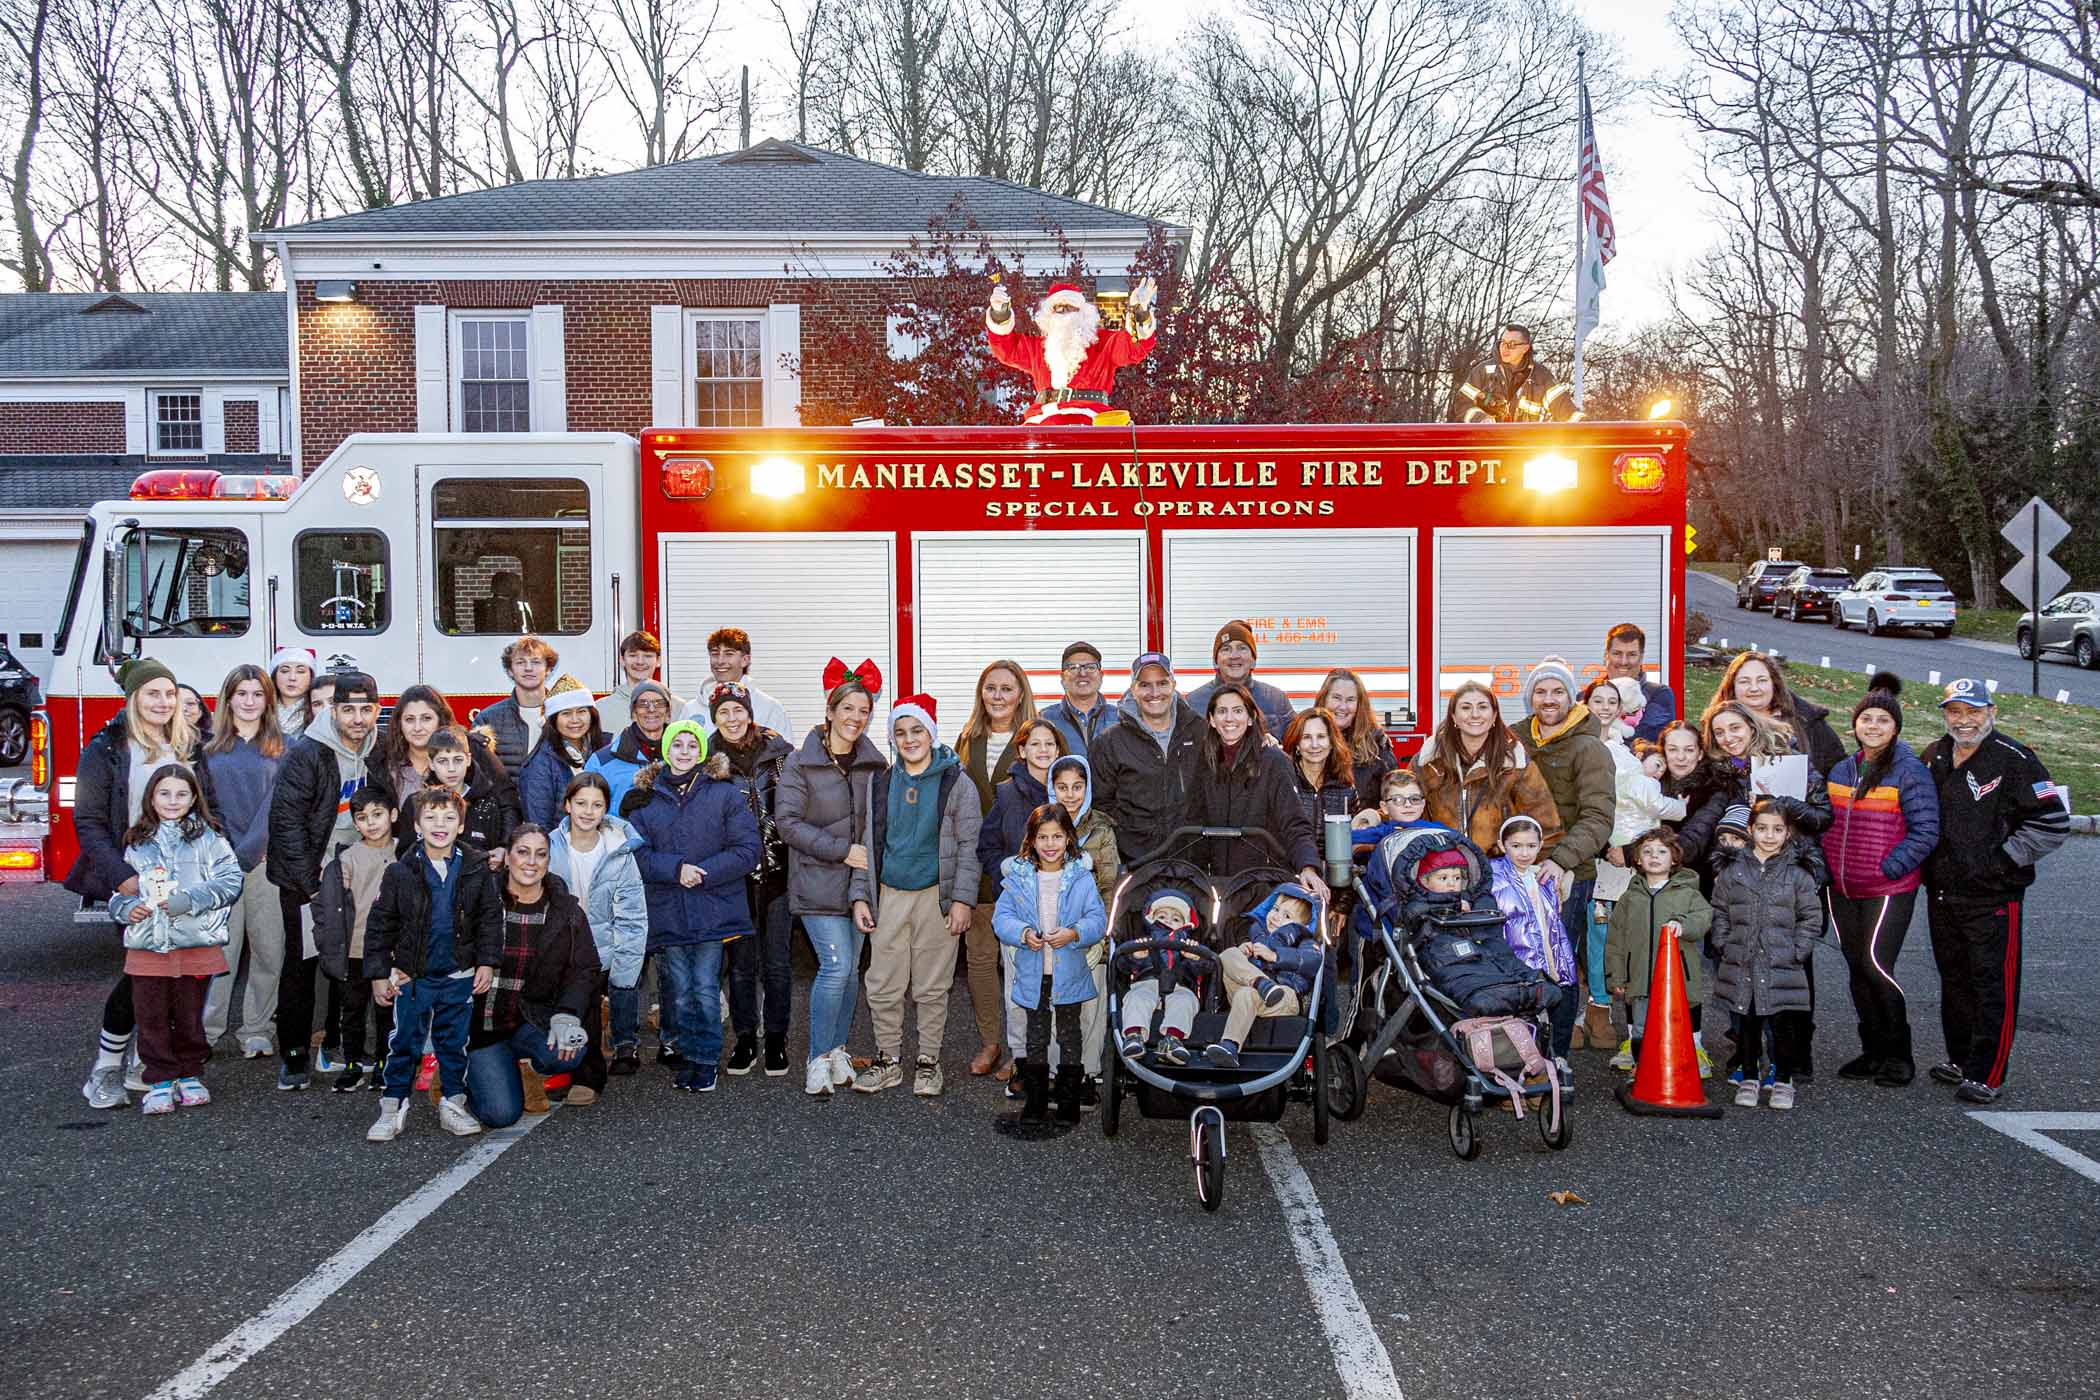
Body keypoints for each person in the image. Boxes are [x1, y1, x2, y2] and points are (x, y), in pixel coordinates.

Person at [1918, 678, 2068, 1104]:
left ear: (1991, 713)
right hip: (1943, 892)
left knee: (1992, 985)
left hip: (1993, 897)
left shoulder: (2016, 759)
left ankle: (1988, 1072)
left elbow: (2052, 822)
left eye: (1974, 711)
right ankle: (1961, 1059)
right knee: (1954, 978)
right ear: (1945, 714)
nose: (1964, 721)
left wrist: (2000, 863)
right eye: (1955, 711)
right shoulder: (1936, 754)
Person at [848, 694, 982, 1098]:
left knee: (931, 985)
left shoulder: (956, 782)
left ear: (932, 733)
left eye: (917, 730)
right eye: (900, 732)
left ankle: (928, 1060)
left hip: (935, 896)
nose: (909, 739)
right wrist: (861, 896)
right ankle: (888, 1059)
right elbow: (866, 842)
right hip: (888, 893)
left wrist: (962, 900)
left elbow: (969, 847)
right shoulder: (881, 782)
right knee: (883, 981)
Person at [623, 720, 760, 1095]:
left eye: (691, 744)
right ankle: (689, 1053)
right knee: (678, 990)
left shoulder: (724, 794)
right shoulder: (646, 799)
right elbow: (635, 854)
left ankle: (706, 1062)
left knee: (703, 987)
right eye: (676, 744)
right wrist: (674, 870)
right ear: (665, 750)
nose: (684, 751)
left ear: (702, 752)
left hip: (712, 909)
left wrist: (703, 873)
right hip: (669, 909)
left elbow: (748, 850)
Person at [265, 668, 382, 1091]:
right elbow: (287, 823)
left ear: (376, 710)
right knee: (303, 966)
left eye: (365, 709)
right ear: (333, 710)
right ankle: (294, 1055)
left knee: (349, 964)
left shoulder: (380, 750)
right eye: (347, 709)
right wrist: (311, 884)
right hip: (311, 876)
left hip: (361, 874)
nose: (356, 718)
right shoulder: (308, 753)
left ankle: (337, 1046)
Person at [364, 788, 502, 1141]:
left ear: (460, 825)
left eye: (449, 818)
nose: (439, 824)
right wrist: (380, 972)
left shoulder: (475, 868)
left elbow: (489, 918)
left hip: (458, 974)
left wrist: (486, 962)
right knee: (405, 1042)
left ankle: (453, 1103)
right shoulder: (400, 871)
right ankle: (393, 1104)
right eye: (431, 817)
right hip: (414, 976)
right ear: (416, 824)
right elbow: (381, 923)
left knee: (453, 1043)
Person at [1822, 675, 1940, 1088]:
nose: (1873, 726)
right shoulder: (1842, 769)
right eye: (1866, 719)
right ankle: (1871, 1051)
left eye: (1882, 721)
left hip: (1886, 889)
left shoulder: (1909, 771)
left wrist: (1890, 867)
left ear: (1895, 728)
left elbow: (1926, 830)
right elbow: (1826, 823)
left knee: (1876, 967)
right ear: (1855, 724)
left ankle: (1898, 1054)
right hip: (1842, 887)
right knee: (1856, 967)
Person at [776, 665, 885, 1097]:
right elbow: (787, 824)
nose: (855, 717)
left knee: (852, 971)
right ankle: (817, 1059)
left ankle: (838, 1049)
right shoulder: (801, 763)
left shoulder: (874, 765)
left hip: (860, 885)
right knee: (836, 967)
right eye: (847, 708)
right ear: (830, 709)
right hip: (817, 882)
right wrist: (840, 850)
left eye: (864, 710)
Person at [108, 764, 241, 1115]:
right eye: (164, 793)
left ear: (194, 797)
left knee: (188, 1012)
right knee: (150, 1014)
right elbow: (117, 894)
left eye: (181, 794)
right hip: (148, 946)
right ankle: (160, 1079)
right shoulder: (136, 843)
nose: (172, 800)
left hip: (194, 942)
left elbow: (230, 882)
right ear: (151, 797)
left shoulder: (211, 838)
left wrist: (189, 900)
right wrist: (127, 909)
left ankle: (190, 1072)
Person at [463, 826, 602, 1126]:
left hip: (530, 1020)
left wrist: (567, 1016)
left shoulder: (565, 910)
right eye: (523, 852)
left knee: (571, 1048)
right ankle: (464, 1071)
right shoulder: (481, 900)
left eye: (541, 854)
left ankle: (524, 1066)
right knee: (500, 1115)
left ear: (549, 860)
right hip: (481, 1027)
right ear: (507, 857)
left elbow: (585, 969)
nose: (531, 862)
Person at [1516, 658, 1618, 1053]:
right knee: (1521, 965)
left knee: (1558, 966)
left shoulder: (1589, 747)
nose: (1548, 699)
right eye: (1540, 691)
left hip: (1567, 874)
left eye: (1557, 691)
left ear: (1572, 696)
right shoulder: (1516, 740)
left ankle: (1555, 1056)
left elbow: (1598, 817)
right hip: (1517, 869)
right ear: (1530, 698)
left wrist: (1560, 861)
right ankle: (1521, 1051)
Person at [992, 804, 1106, 1123]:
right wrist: (1023, 933)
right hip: (1033, 973)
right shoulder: (1019, 879)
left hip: (1068, 972)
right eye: (1043, 837)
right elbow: (1002, 918)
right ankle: (1036, 1101)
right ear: (1031, 840)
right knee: (1036, 1036)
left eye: (1057, 836)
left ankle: (1068, 1101)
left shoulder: (1081, 879)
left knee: (1070, 1034)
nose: (1050, 844)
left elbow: (1097, 919)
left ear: (1069, 838)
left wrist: (1074, 933)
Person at [707, 682, 796, 1077]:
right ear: (714, 717)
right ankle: (745, 1038)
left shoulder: (778, 753)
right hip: (733, 879)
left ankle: (776, 1037)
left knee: (777, 962)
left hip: (779, 874)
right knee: (741, 964)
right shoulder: (706, 757)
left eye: (737, 710)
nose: (731, 719)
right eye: (723, 712)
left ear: (749, 713)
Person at [1711, 801, 1826, 1111]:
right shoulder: (1733, 872)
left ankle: (1783, 1079)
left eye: (1777, 829)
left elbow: (1811, 917)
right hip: (1743, 960)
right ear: (1750, 831)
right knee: (1746, 1023)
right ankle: (1749, 1076)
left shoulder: (1798, 875)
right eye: (1762, 828)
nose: (1769, 836)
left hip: (1782, 963)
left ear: (1788, 833)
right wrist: (1724, 942)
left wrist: (1799, 949)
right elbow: (1720, 909)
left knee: (1783, 1024)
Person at [197, 664, 287, 1058]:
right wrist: (225, 854)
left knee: (269, 950)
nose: (249, 702)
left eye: (257, 694)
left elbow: (278, 806)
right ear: (228, 699)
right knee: (221, 953)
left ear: (268, 700)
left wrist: (249, 852)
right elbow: (199, 807)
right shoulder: (206, 749)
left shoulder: (287, 747)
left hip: (266, 864)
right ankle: (207, 1029)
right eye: (241, 694)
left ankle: (257, 1028)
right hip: (218, 866)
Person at [957, 659, 1038, 1080]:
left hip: (1023, 869)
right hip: (979, 868)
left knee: (1021, 961)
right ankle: (990, 1041)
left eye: (1007, 688)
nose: (999, 696)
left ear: (1021, 694)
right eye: (991, 688)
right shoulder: (967, 740)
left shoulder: (1035, 739)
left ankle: (1020, 1049)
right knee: (982, 959)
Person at [976, 716, 1067, 1090]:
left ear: (1060, 750)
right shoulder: (1007, 793)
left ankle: (1060, 1060)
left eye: (1050, 744)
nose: (1043, 750)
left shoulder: (1071, 789)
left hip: (1063, 906)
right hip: (1019, 908)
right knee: (1020, 986)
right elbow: (987, 845)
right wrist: (1007, 881)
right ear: (1022, 750)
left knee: (1061, 987)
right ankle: (1021, 1056)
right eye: (1035, 744)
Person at [547, 772, 648, 1079]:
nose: (588, 812)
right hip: (566, 946)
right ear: (567, 805)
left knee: (624, 979)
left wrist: (626, 960)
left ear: (606, 810)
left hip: (607, 939)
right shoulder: (550, 847)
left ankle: (625, 1043)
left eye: (596, 805)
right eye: (581, 803)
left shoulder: (620, 853)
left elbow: (632, 914)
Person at [1192, 684, 1323, 891]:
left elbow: (1295, 823)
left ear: (1251, 718)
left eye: (1237, 711)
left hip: (1264, 884)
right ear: (1211, 719)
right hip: (1214, 885)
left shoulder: (1274, 762)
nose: (1229, 719)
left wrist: (1308, 867)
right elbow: (1191, 821)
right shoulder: (1202, 764)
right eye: (1222, 711)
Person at [1605, 828, 1714, 1076]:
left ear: (1674, 859)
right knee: (1641, 1027)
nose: (1654, 856)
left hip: (1678, 980)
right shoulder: (1630, 897)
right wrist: (1617, 976)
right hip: (1640, 978)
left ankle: (1685, 1062)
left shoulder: (1688, 892)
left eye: (1662, 851)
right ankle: (1642, 1069)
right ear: (1637, 859)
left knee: (1678, 1023)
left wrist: (1683, 926)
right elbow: (1616, 940)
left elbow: (1704, 917)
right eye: (1647, 851)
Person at [310, 786, 398, 1092]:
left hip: (389, 951)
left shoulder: (405, 852)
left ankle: (386, 1062)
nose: (371, 823)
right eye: (362, 817)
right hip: (354, 949)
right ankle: (353, 1062)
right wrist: (329, 943)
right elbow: (329, 907)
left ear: (393, 815)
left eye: (378, 815)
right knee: (352, 1011)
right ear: (355, 823)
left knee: (387, 1011)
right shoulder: (347, 858)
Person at [1411, 681, 1563, 853]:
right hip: (1442, 871)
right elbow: (1403, 809)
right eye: (1466, 707)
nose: (1475, 714)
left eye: (1482, 707)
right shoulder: (1429, 762)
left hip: (1498, 871)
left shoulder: (1515, 763)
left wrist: (1536, 867)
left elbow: (1546, 826)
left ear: (1494, 716)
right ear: (1453, 716)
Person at [984, 277, 1159, 426]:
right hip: (1044, 419)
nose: (1063, 313)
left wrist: (1140, 313)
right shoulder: (1038, 348)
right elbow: (1006, 348)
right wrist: (1000, 313)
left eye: (1069, 307)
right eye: (1057, 308)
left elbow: (1133, 347)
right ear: (1048, 316)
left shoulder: (1103, 343)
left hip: (1093, 418)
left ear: (1084, 314)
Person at [1090, 651, 1204, 862]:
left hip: (1193, 858)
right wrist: (1130, 837)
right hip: (1136, 862)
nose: (1154, 692)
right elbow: (1100, 806)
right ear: (1133, 689)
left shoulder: (1200, 732)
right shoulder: (1110, 742)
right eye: (1144, 685)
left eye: (1162, 683)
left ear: (1174, 684)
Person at [1051, 753, 1119, 1100]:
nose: (1070, 794)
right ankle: (1056, 1071)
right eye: (1062, 787)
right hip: (1052, 933)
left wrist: (1102, 937)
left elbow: (1109, 887)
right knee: (1053, 1006)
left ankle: (1088, 1073)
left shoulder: (1102, 829)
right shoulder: (1043, 824)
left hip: (1090, 932)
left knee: (1091, 1004)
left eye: (1078, 786)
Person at [1489, 814, 1578, 1077]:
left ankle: (1557, 1056)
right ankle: (1522, 1065)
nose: (1524, 853)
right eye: (1516, 846)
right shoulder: (1492, 874)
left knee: (1566, 998)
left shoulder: (1545, 876)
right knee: (1524, 1013)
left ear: (1540, 846)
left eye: (1531, 846)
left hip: (1553, 953)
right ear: (1502, 844)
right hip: (1517, 958)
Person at [1206, 883, 1321, 1070]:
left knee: (1247, 993)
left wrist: (1275, 956)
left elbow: (1311, 960)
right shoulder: (1256, 935)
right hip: (1252, 991)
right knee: (1228, 955)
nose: (1276, 917)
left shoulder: (1305, 942)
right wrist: (1244, 953)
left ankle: (1231, 1043)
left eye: (1286, 916)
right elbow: (1234, 965)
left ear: (1303, 925)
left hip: (1284, 995)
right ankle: (1230, 1046)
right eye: (1275, 909)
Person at [1701, 651, 1845, 778]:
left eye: (1761, 680)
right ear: (1732, 687)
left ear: (1774, 683)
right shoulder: (1716, 725)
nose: (1754, 688)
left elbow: (1836, 770)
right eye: (1744, 681)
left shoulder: (1808, 720)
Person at [1117, 889, 1203, 1064]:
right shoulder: (1143, 942)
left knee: (1185, 1000)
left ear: (1186, 924)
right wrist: (1135, 957)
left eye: (1176, 918)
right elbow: (1122, 966)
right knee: (1136, 998)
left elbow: (1205, 970)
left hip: (1179, 985)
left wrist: (1195, 958)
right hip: (1147, 982)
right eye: (1162, 916)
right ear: (1151, 918)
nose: (1169, 921)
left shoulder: (1189, 946)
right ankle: (1134, 1036)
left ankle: (1172, 1040)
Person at [417, 726, 521, 865]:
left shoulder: (488, 804)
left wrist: (502, 850)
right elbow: (407, 853)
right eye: (443, 761)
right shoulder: (418, 803)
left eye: (458, 760)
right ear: (431, 764)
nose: (451, 768)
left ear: (468, 759)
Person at [518, 676, 604, 830]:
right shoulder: (540, 763)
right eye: (566, 713)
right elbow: (539, 826)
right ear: (553, 720)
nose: (575, 720)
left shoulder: (603, 750)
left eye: (582, 711)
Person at [1450, 322, 1579, 423]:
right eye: (1502, 343)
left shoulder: (1542, 377)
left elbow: (1566, 410)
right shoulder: (1482, 371)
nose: (1505, 348)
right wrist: (1481, 419)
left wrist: (1591, 430)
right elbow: (1462, 403)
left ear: (1525, 348)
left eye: (1512, 344)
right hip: (1486, 447)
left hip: (1527, 450)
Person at [1187, 621, 1294, 738]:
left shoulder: (1276, 700)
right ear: (1215, 662)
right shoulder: (1193, 703)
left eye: (1242, 648)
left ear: (1253, 660)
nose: (1234, 656)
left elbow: (1295, 744)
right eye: (1226, 649)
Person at [585, 680, 676, 813]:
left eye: (659, 703)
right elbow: (586, 811)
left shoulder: (683, 758)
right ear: (633, 712)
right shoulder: (601, 762)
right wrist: (620, 810)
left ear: (668, 712)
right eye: (643, 703)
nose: (651, 709)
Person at [682, 627, 789, 737]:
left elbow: (784, 752)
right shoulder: (691, 709)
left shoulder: (770, 709)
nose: (720, 661)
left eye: (729, 654)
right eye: (715, 654)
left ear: (745, 660)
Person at [1314, 668, 1395, 813]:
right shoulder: (1305, 740)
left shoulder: (1376, 746)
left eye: (1350, 700)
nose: (1343, 707)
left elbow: (1394, 801)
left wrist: (1372, 820)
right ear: (1324, 699)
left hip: (1363, 833)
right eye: (1336, 698)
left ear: (1359, 705)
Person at [477, 635, 557, 776]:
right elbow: (480, 773)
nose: (528, 668)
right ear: (510, 671)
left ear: (549, 669)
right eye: (520, 662)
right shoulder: (487, 719)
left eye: (536, 662)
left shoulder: (563, 714)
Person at [1284, 708, 1356, 852]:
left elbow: (1354, 835)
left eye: (1321, 736)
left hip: (1333, 869)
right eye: (1306, 737)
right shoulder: (1284, 781)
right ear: (1297, 744)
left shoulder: (1346, 787)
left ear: (1331, 742)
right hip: (1290, 868)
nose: (1315, 745)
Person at [599, 630, 684, 736]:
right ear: (621, 660)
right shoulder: (601, 709)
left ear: (658, 661)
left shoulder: (679, 708)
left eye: (647, 656)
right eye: (633, 655)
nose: (640, 662)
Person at [1603, 623, 1677, 742]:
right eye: (1617, 653)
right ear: (1606, 656)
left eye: (1632, 654)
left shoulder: (1658, 694)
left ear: (1641, 658)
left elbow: (1646, 740)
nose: (1623, 661)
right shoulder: (1584, 697)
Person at [1041, 641, 1116, 756]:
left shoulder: (1120, 718)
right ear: (1062, 678)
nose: (1082, 673)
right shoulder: (1045, 720)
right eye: (1073, 667)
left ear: (1101, 676)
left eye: (1090, 667)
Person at [270, 647, 316, 738]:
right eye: (285, 671)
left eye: (300, 671)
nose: (292, 677)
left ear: (311, 677)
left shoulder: (317, 710)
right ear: (274, 676)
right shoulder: (261, 709)